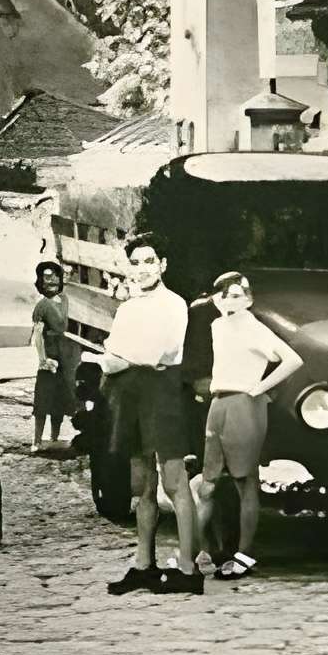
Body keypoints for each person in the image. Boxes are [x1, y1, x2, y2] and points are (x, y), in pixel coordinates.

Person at [98, 235, 204, 596]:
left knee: (174, 481)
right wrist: (121, 357)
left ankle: (189, 570)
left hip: (164, 396)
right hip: (131, 397)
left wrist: (122, 357)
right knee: (141, 484)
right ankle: (144, 565)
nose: (142, 269)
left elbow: (161, 352)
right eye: (136, 263)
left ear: (162, 264)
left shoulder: (175, 305)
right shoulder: (128, 308)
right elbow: (111, 355)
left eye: (149, 261)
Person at [190, 270, 303, 581]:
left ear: (249, 299)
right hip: (219, 402)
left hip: (244, 403)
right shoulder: (217, 325)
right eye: (226, 294)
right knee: (208, 483)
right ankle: (202, 550)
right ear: (217, 298)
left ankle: (244, 554)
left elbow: (292, 359)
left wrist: (259, 388)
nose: (231, 300)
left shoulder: (255, 329)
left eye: (239, 294)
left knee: (245, 482)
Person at [30, 261, 77, 451]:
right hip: (51, 357)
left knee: (61, 399)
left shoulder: (66, 300)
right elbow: (38, 335)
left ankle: (55, 437)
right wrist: (43, 360)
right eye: (45, 276)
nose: (50, 280)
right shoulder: (41, 306)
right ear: (40, 281)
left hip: (67, 356)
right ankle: (37, 441)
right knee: (43, 400)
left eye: (54, 276)